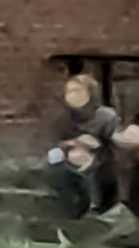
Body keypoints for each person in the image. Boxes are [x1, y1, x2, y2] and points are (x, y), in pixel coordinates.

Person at [47, 70, 120, 224]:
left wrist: (93, 157)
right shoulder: (63, 119)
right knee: (57, 173)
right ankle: (69, 212)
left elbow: (112, 147)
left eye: (77, 90)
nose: (72, 95)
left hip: (99, 161)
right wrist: (69, 148)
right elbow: (58, 143)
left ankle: (98, 209)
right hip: (71, 161)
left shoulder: (107, 117)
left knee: (100, 174)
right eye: (68, 91)